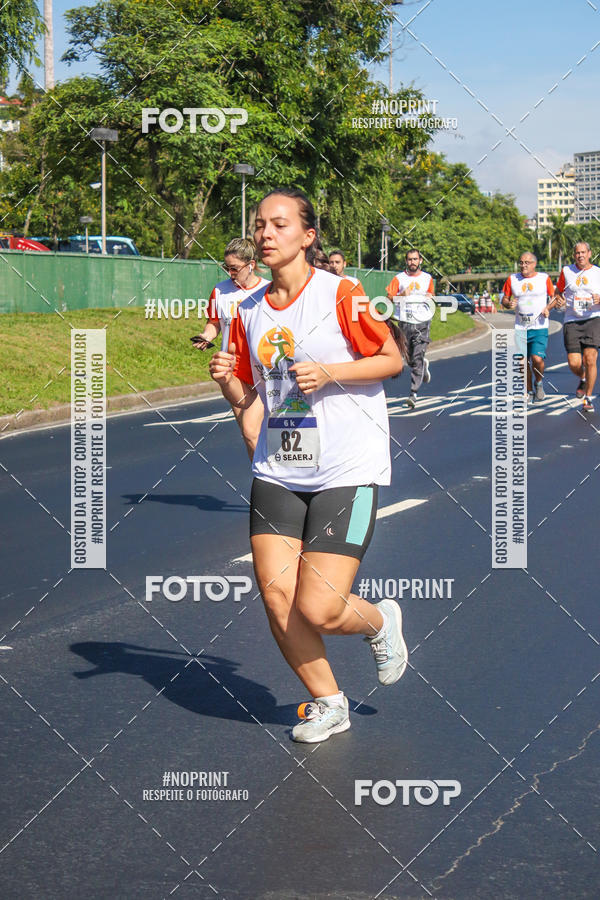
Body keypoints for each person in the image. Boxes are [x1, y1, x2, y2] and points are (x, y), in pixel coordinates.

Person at [209, 188, 407, 743]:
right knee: (277, 597)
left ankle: (379, 621)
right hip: (280, 468)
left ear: (307, 236)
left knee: (318, 607)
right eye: (259, 225)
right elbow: (251, 400)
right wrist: (227, 381)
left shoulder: (341, 292)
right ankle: (328, 703)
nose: (265, 234)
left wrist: (331, 371)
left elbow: (392, 358)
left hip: (346, 467)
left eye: (279, 224)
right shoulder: (247, 310)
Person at [193, 238, 269, 456]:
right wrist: (205, 336)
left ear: (251, 265)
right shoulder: (220, 291)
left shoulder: (267, 290)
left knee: (251, 431)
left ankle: (270, 474)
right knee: (248, 434)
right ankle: (259, 474)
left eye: (234, 268)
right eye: (226, 268)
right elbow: (214, 323)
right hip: (232, 372)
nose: (230, 273)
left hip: (261, 370)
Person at [501, 252, 557, 402]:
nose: (523, 265)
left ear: (534, 264)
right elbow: (504, 299)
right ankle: (529, 390)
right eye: (521, 262)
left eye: (527, 262)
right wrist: (508, 304)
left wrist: (548, 308)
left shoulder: (544, 278)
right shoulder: (512, 279)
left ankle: (538, 382)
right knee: (522, 361)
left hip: (539, 327)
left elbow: (554, 298)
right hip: (521, 327)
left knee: (537, 359)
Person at [554, 241, 600, 412]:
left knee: (590, 359)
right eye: (577, 253)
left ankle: (588, 397)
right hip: (572, 320)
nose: (580, 255)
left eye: (583, 252)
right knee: (574, 363)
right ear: (574, 255)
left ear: (589, 254)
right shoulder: (567, 271)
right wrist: (559, 299)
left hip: (593, 319)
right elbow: (558, 292)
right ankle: (583, 376)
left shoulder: (598, 273)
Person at [386, 248, 434, 408]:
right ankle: (423, 366)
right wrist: (401, 295)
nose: (412, 262)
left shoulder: (427, 278)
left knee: (418, 356)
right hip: (404, 321)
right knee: (409, 357)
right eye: (410, 259)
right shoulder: (399, 278)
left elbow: (431, 294)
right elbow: (388, 298)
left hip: (422, 321)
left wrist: (430, 297)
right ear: (406, 261)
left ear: (420, 260)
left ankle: (413, 394)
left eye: (415, 259)